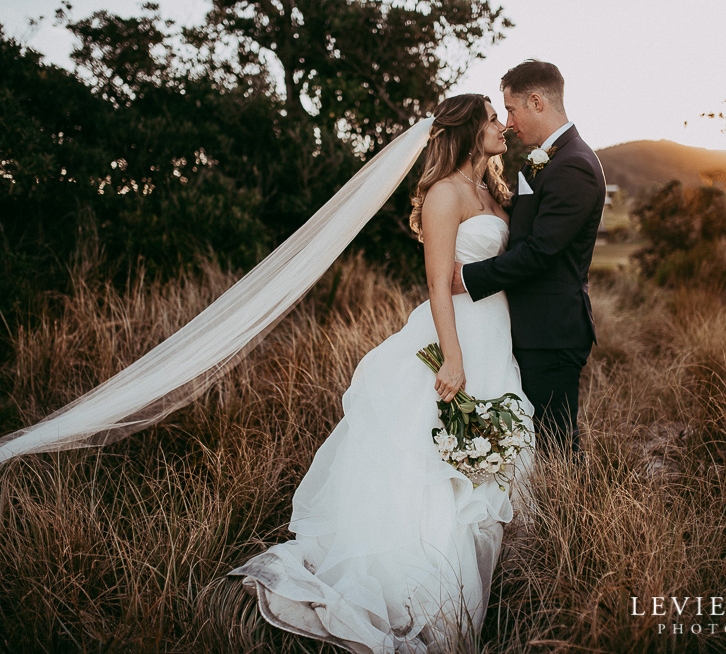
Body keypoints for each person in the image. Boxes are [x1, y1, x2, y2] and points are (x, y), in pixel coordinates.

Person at [228, 94, 535, 653]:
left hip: (497, 339)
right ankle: (423, 595)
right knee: (435, 467)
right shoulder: (444, 193)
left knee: (483, 461)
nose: (501, 127)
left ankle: (479, 593)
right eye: (491, 118)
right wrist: (453, 357)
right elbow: (439, 282)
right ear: (468, 130)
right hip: (457, 337)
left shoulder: (491, 190)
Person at [453, 60, 606, 458]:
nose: (508, 122)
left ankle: (569, 520)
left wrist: (469, 277)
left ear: (536, 101)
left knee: (555, 448)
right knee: (531, 445)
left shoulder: (575, 165)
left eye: (511, 109)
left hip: (551, 332)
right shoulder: (547, 158)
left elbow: (539, 252)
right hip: (530, 328)